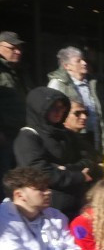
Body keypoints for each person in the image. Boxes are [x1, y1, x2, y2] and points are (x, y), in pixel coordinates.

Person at [14, 87, 93, 219]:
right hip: (46, 211)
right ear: (40, 110)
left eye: (62, 108)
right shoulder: (28, 137)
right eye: (54, 108)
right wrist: (78, 177)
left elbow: (89, 160)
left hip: (76, 206)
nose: (59, 112)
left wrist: (66, 169)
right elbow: (40, 172)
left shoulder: (66, 134)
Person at [46, 47, 104, 154]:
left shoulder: (92, 84)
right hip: (72, 136)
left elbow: (102, 113)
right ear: (67, 66)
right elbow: (50, 112)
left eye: (84, 59)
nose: (84, 63)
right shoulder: (58, 84)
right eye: (78, 61)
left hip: (95, 135)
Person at [0, 31, 28, 177]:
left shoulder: (16, 71)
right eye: (13, 47)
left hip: (18, 133)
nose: (18, 51)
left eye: (20, 48)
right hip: (5, 135)